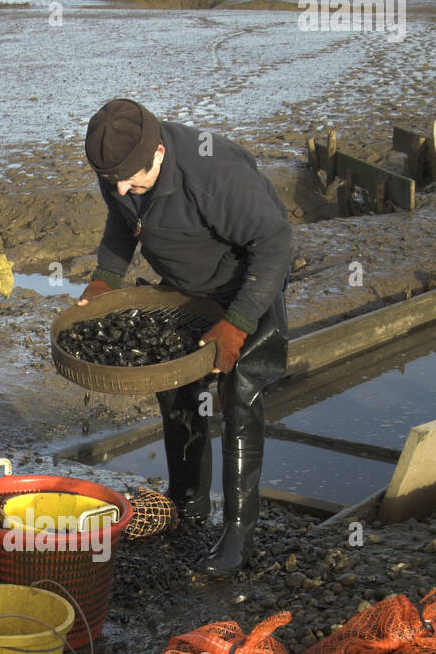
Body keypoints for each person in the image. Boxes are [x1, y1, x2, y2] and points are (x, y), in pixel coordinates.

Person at [79, 98, 292, 575]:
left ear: (158, 151)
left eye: (132, 179)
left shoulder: (214, 174)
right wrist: (106, 277)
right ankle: (188, 503)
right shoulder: (118, 164)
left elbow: (275, 244)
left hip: (246, 287)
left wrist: (236, 322)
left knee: (239, 395)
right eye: (112, 180)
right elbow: (122, 219)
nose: (119, 187)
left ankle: (238, 531)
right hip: (183, 287)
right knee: (176, 388)